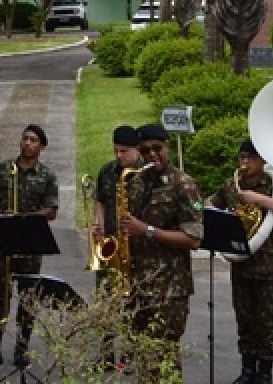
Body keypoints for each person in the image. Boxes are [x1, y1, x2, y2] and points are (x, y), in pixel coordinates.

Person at [208, 139, 273, 384]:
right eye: (242, 158)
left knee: (266, 318)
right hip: (242, 263)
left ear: (261, 161)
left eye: (250, 158)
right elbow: (211, 204)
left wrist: (259, 199)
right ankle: (247, 368)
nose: (245, 163)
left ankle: (265, 371)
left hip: (270, 264)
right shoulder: (232, 185)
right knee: (244, 316)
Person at [119, 124, 202, 369]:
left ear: (168, 147)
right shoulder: (137, 181)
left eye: (158, 148)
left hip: (169, 288)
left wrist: (147, 230)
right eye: (145, 150)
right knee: (143, 359)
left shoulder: (184, 185)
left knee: (164, 360)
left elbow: (194, 239)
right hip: (139, 283)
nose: (152, 154)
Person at [0, 123, 59, 368]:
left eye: (33, 140)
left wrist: (26, 217)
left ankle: (21, 349)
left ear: (42, 147)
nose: (27, 143)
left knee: (27, 298)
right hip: (4, 240)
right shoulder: (3, 169)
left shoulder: (47, 175)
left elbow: (52, 211)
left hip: (30, 242)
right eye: (25, 138)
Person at [89, 125, 143, 369]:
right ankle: (107, 354)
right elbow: (101, 200)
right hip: (111, 243)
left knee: (135, 302)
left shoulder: (145, 172)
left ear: (136, 149)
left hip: (137, 246)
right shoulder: (108, 171)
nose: (119, 156)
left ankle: (132, 354)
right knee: (107, 300)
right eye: (116, 151)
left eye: (124, 151)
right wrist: (98, 224)